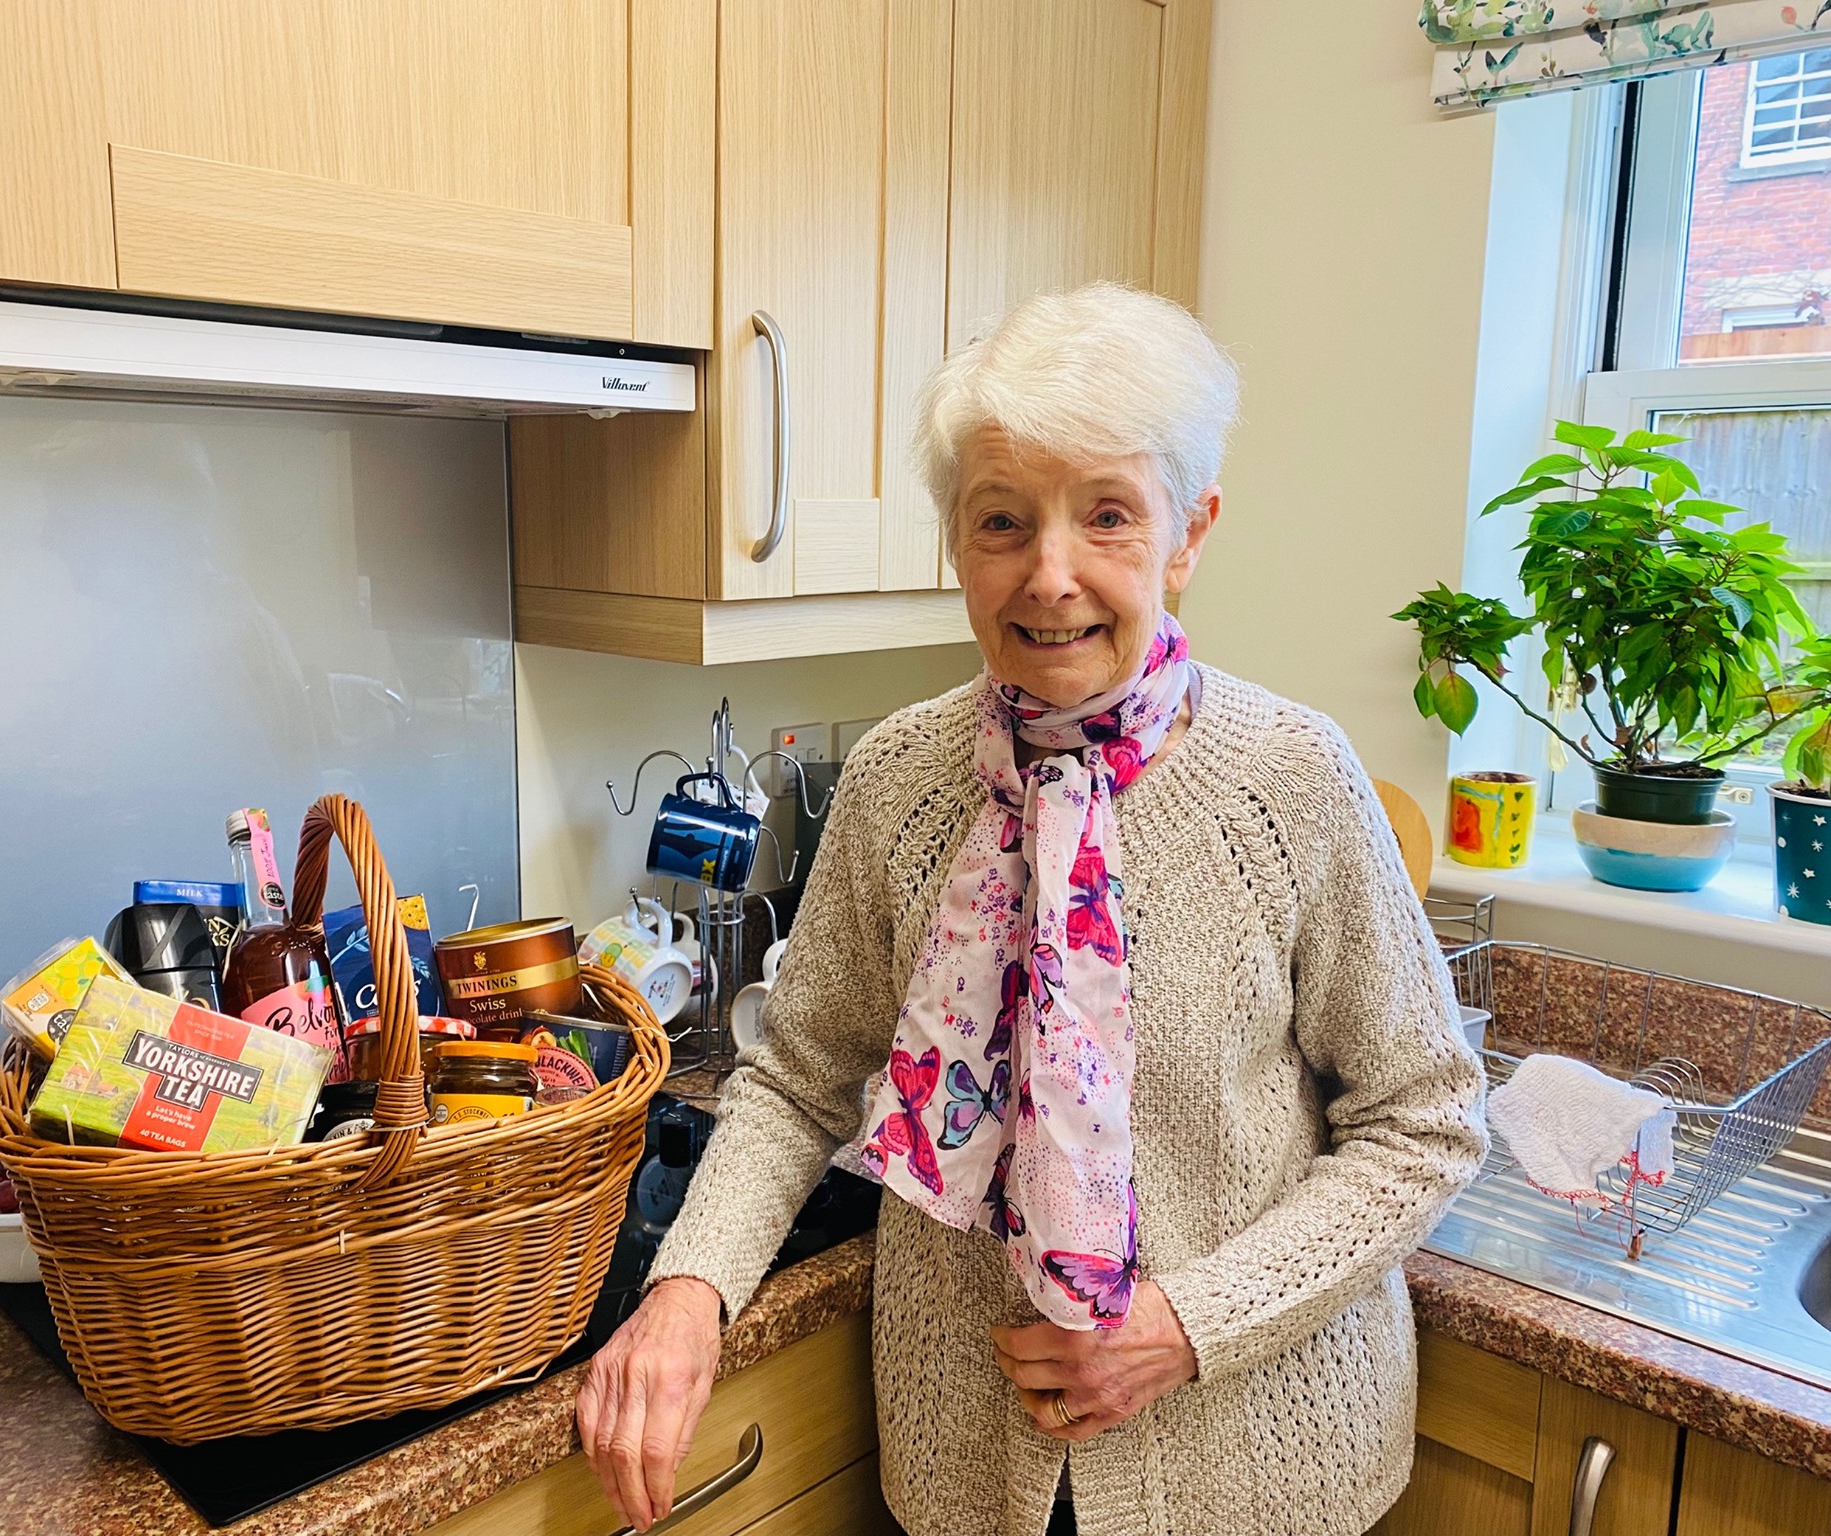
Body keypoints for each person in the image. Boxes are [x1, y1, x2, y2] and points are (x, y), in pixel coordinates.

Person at [575, 282, 1489, 1536]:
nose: (1048, 575)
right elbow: (796, 1079)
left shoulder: (1292, 783)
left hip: (1253, 1475)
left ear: (1188, 533)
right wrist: (687, 1290)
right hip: (967, 1470)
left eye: (1106, 516)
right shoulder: (898, 781)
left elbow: (1421, 1122)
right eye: (1001, 521)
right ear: (956, 540)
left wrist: (1187, 1327)